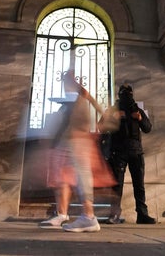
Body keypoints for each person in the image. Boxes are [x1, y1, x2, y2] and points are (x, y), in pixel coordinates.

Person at [39, 70, 114, 233]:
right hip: (67, 141)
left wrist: (97, 125)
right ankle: (62, 214)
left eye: (68, 80)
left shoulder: (80, 95)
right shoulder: (69, 99)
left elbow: (97, 111)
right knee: (63, 177)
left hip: (78, 140)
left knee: (81, 175)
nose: (66, 84)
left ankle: (88, 216)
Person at [99, 83, 156, 224]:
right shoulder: (112, 110)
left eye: (129, 93)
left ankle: (142, 215)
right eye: (124, 92)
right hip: (118, 152)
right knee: (117, 185)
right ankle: (114, 215)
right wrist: (114, 118)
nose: (127, 95)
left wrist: (140, 119)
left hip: (136, 151)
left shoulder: (137, 110)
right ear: (119, 94)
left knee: (139, 185)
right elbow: (100, 127)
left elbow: (148, 128)